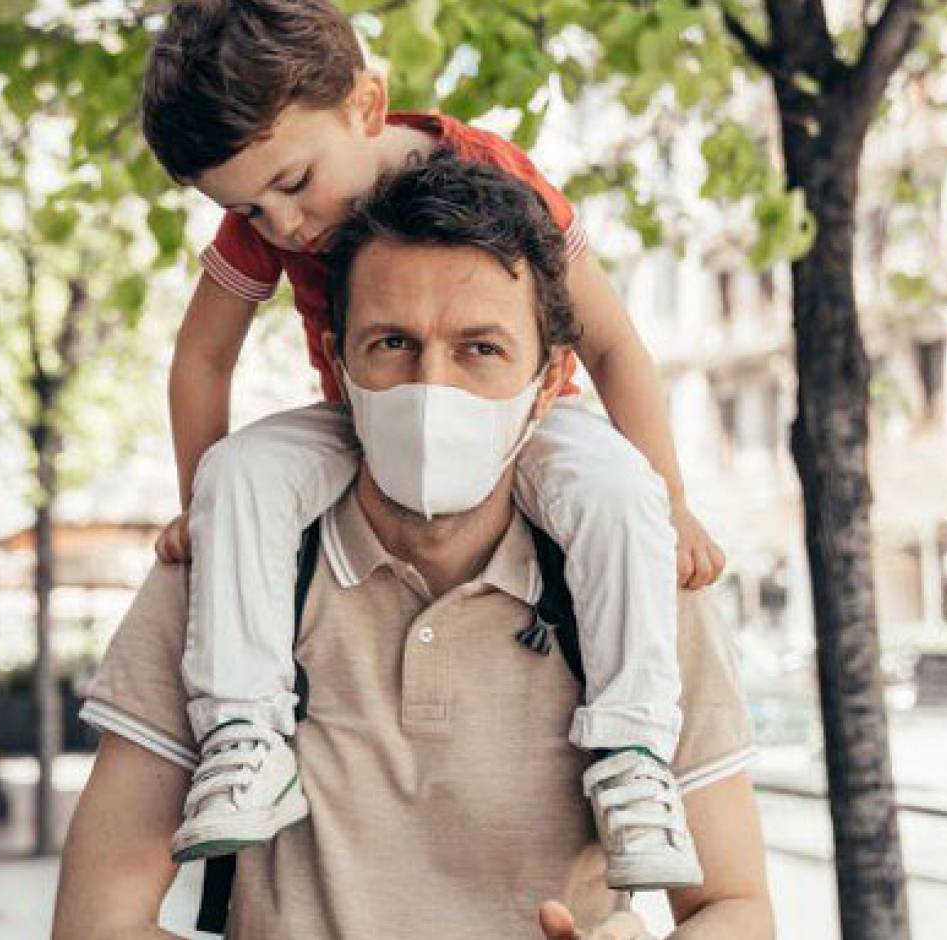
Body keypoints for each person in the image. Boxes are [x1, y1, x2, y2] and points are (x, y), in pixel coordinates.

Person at [56, 154, 773, 940]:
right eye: (393, 343)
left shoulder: (638, 582)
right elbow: (99, 924)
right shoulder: (219, 581)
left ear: (549, 382)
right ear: (337, 361)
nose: (432, 390)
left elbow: (733, 908)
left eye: (481, 349)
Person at [140, 0, 726, 889]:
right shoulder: (263, 219)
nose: (284, 227)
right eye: (250, 210)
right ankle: (245, 736)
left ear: (366, 108)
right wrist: (201, 505)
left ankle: (633, 753)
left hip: (523, 418)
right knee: (243, 474)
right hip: (368, 417)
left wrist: (672, 498)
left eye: (294, 185)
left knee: (620, 496)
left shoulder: (493, 175)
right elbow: (202, 355)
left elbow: (610, 343)